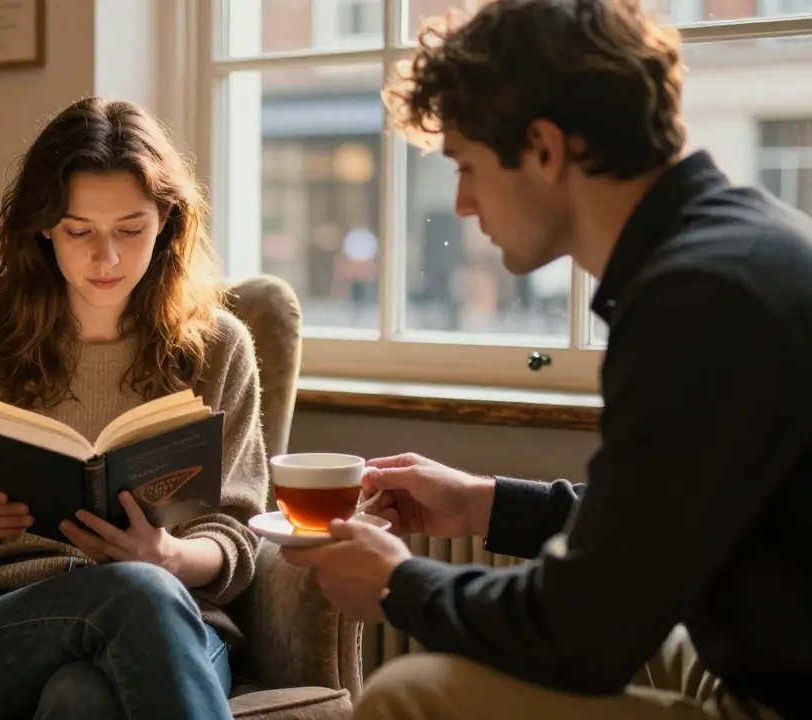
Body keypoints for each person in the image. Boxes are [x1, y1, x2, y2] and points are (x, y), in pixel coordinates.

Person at [280, 0, 812, 718]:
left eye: (468, 166)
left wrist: (399, 586)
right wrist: (481, 503)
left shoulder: (697, 299)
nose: (463, 203)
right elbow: (651, 524)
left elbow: (580, 633)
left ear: (543, 149)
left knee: (409, 694)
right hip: (773, 654)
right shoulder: (736, 244)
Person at [0, 97, 269, 720]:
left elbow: (238, 535)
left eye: (131, 230)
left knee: (82, 697)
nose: (105, 258)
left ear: (168, 220)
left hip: (175, 626)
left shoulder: (219, 348)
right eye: (79, 231)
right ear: (43, 226)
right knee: (135, 596)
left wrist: (169, 556)